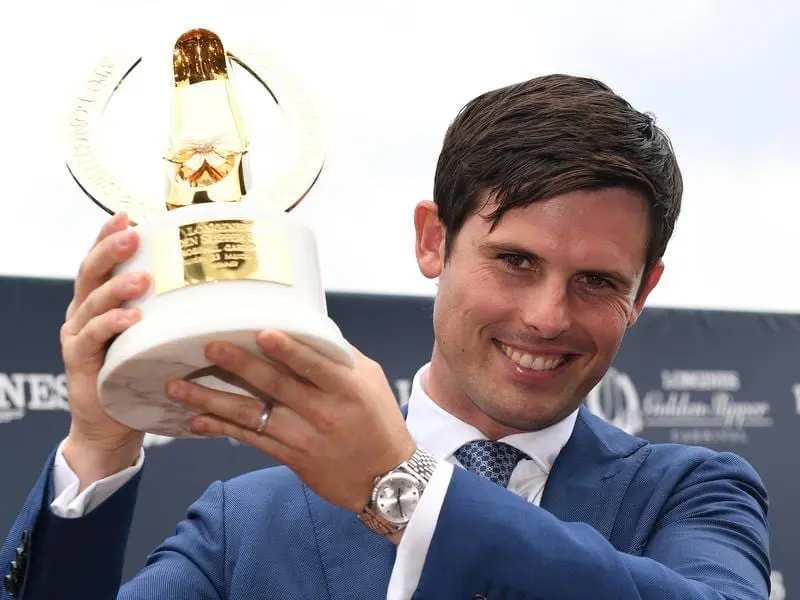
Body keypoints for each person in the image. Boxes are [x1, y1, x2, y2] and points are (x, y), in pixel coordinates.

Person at [1, 74, 770, 600]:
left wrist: (399, 489)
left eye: (597, 281)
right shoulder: (248, 523)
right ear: (432, 240)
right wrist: (99, 447)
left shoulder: (689, 494)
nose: (547, 316)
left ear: (646, 291)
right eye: (515, 261)